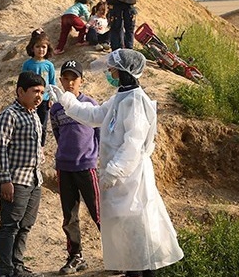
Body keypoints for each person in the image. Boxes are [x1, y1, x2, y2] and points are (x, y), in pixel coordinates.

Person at [47, 49, 184, 276]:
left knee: (139, 233)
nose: (109, 72)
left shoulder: (136, 101)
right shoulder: (119, 98)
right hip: (119, 181)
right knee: (125, 235)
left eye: (112, 69)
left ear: (123, 71)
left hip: (132, 179)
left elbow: (133, 144)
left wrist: (113, 172)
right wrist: (67, 100)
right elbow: (94, 115)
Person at [49, 60, 101, 275]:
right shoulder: (56, 108)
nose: (70, 83)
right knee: (69, 216)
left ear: (82, 81)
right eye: (66, 78)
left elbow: (98, 134)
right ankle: (75, 257)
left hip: (87, 167)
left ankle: (118, 254)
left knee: (99, 212)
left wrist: (93, 157)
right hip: (65, 167)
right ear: (61, 81)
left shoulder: (90, 104)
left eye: (74, 78)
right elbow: (58, 133)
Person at [0, 71, 46, 277]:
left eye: (41, 92)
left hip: (34, 179)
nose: (39, 96)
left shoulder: (34, 114)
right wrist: (5, 179)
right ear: (20, 91)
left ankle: (17, 266)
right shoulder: (10, 115)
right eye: (35, 91)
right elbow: (0, 148)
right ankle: (4, 270)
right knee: (10, 226)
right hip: (16, 180)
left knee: (25, 225)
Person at [22, 29, 57, 137]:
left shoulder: (49, 65)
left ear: (48, 48)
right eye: (37, 46)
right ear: (32, 48)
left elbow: (52, 82)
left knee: (43, 125)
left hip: (44, 100)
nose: (41, 49)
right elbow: (23, 81)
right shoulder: (27, 64)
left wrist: (51, 98)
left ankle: (41, 144)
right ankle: (31, 142)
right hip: (30, 99)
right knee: (30, 124)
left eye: (43, 47)